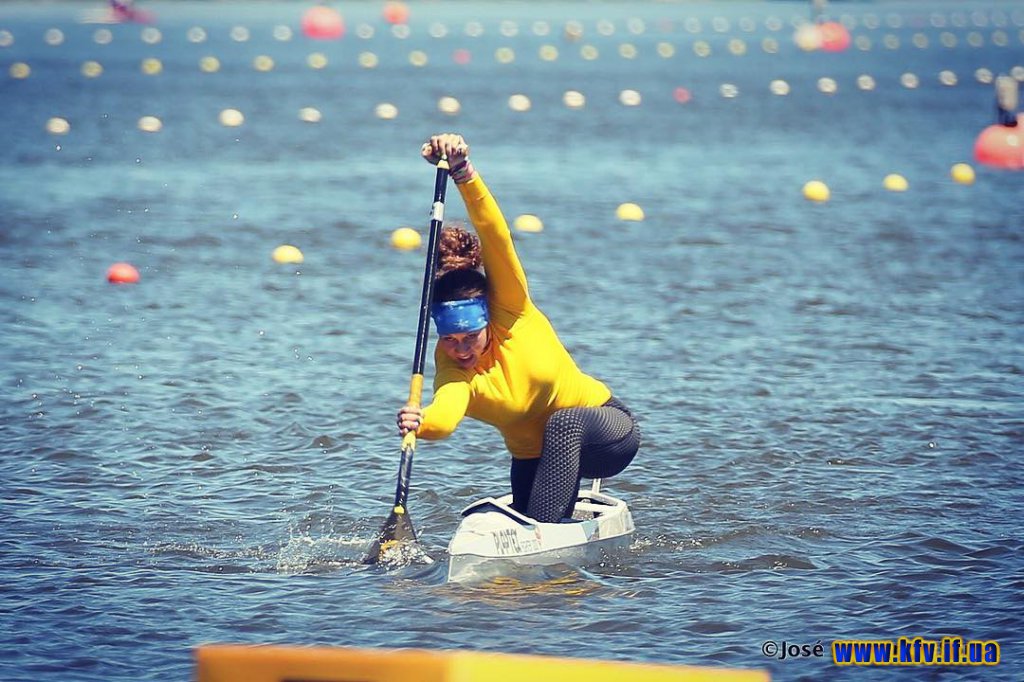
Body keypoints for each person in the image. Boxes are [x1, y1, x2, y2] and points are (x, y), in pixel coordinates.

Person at [396, 133, 641, 524]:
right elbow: (447, 412)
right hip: (535, 459)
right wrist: (421, 422)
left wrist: (462, 172)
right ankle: (542, 536)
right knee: (523, 537)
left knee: (564, 424)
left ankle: (544, 528)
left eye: (470, 337)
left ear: (486, 321)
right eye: (451, 340)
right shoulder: (453, 367)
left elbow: (495, 234)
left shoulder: (511, 309)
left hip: (605, 433)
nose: (462, 349)